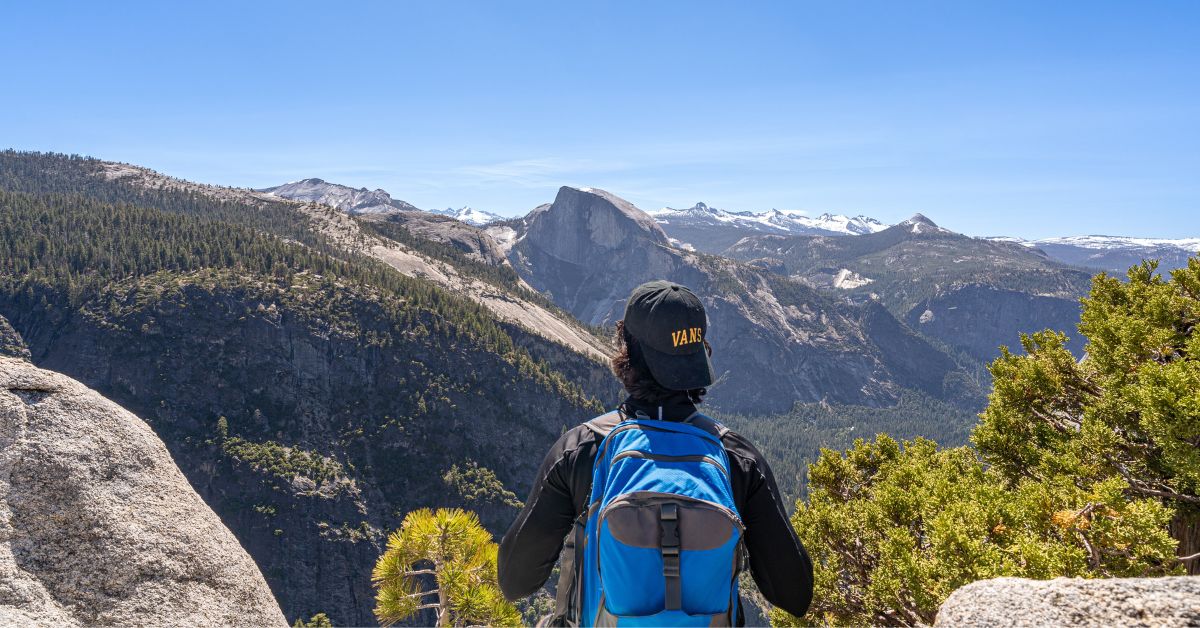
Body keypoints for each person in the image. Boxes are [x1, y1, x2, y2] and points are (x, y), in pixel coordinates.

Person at [498, 280, 813, 626]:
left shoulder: (582, 450)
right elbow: (794, 594)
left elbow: (515, 581)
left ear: (626, 354)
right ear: (699, 357)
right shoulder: (736, 459)